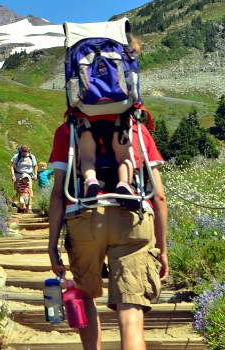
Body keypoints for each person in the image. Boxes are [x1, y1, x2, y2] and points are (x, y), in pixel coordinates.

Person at [46, 113, 169, 350]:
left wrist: (52, 246)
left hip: (85, 216)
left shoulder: (68, 130)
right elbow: (159, 196)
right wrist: (162, 250)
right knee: (131, 307)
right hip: (133, 218)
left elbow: (58, 194)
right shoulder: (137, 129)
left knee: (84, 294)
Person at [76, 35, 145, 207]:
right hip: (118, 115)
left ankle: (91, 180)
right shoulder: (124, 52)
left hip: (88, 116)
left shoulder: (82, 51)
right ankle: (124, 183)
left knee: (87, 157)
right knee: (124, 157)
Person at [10, 145, 38, 212]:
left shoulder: (31, 157)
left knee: (29, 190)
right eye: (23, 151)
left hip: (28, 176)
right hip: (19, 175)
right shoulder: (17, 156)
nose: (24, 153)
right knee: (19, 190)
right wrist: (13, 175)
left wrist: (35, 174)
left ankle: (29, 206)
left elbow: (35, 166)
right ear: (21, 151)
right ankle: (21, 206)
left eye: (26, 151)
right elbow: (12, 166)